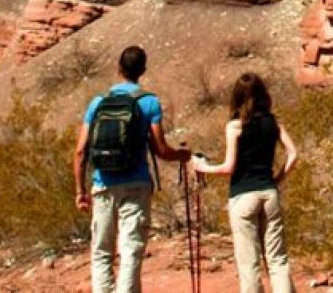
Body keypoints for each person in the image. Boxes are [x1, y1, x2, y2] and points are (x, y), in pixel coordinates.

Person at [74, 45, 191, 293]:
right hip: (136, 185)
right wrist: (183, 156)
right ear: (143, 70)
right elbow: (161, 150)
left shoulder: (98, 103)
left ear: (119, 68)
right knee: (130, 250)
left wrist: (79, 191)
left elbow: (80, 151)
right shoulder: (149, 102)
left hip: (102, 183)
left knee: (102, 252)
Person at [191, 73, 298, 293]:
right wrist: (277, 179)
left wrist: (204, 167)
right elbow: (293, 154)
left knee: (249, 263)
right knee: (277, 260)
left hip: (243, 196)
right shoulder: (274, 122)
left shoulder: (235, 127)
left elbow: (229, 167)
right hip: (269, 193)